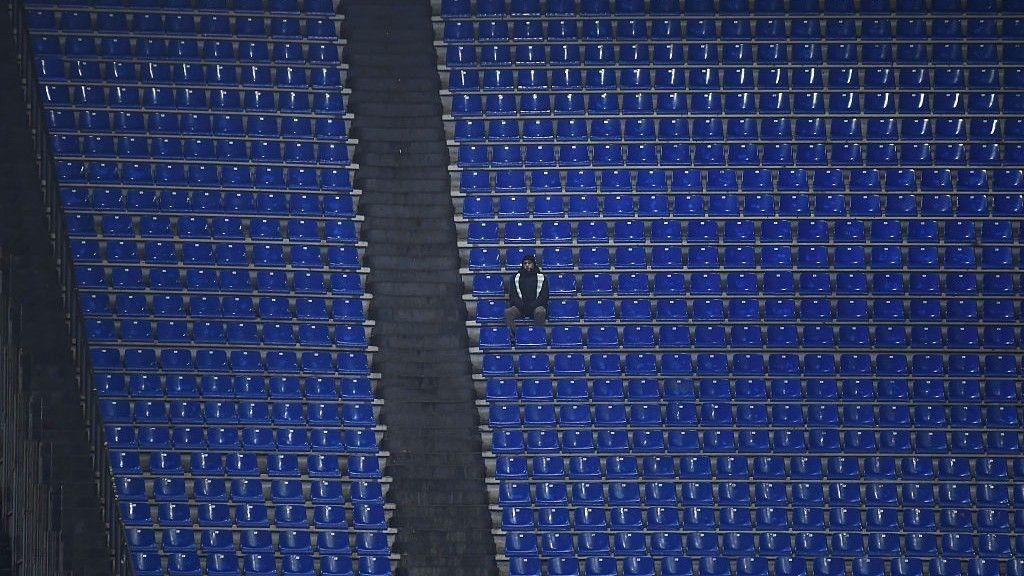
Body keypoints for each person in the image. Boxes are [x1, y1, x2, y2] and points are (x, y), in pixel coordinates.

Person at [505, 254, 549, 343]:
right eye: (525, 263)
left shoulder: (542, 278)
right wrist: (521, 305)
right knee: (508, 312)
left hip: (536, 307)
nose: (527, 265)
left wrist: (533, 305)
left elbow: (544, 296)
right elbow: (512, 295)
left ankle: (538, 336)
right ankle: (514, 338)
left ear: (533, 264)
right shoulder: (515, 278)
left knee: (541, 311)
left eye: (529, 263)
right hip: (520, 308)